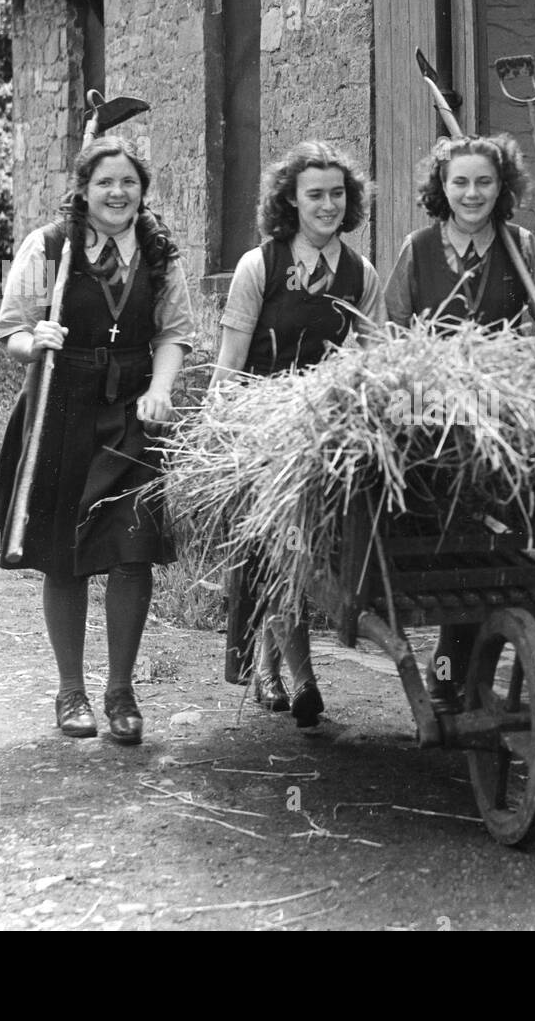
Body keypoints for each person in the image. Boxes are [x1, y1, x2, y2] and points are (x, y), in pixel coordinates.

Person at [0, 135, 193, 746]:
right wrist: (37, 340)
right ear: (84, 188)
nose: (118, 193)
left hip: (131, 412)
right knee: (64, 554)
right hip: (61, 408)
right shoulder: (49, 247)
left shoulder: (159, 253)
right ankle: (71, 691)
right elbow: (12, 333)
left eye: (128, 182)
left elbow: (174, 333)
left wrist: (160, 389)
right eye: (105, 182)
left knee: (133, 549)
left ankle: (121, 692)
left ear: (142, 189)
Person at [385, 133, 535, 712]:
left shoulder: (520, 246)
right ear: (441, 188)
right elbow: (391, 336)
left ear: (503, 187)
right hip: (431, 427)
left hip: (500, 425)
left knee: (492, 554)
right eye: (460, 182)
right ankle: (447, 673)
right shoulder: (417, 250)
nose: (472, 193)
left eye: (484, 182)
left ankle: (464, 671)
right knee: (445, 551)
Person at [211, 140, 383, 727]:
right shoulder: (258, 266)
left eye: (338, 194)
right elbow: (228, 367)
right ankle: (300, 677)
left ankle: (269, 664)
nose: (328, 205)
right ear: (291, 200)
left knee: (308, 554)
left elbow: (368, 366)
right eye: (315, 194)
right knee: (279, 550)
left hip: (327, 439)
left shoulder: (362, 275)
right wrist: (222, 431)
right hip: (265, 434)